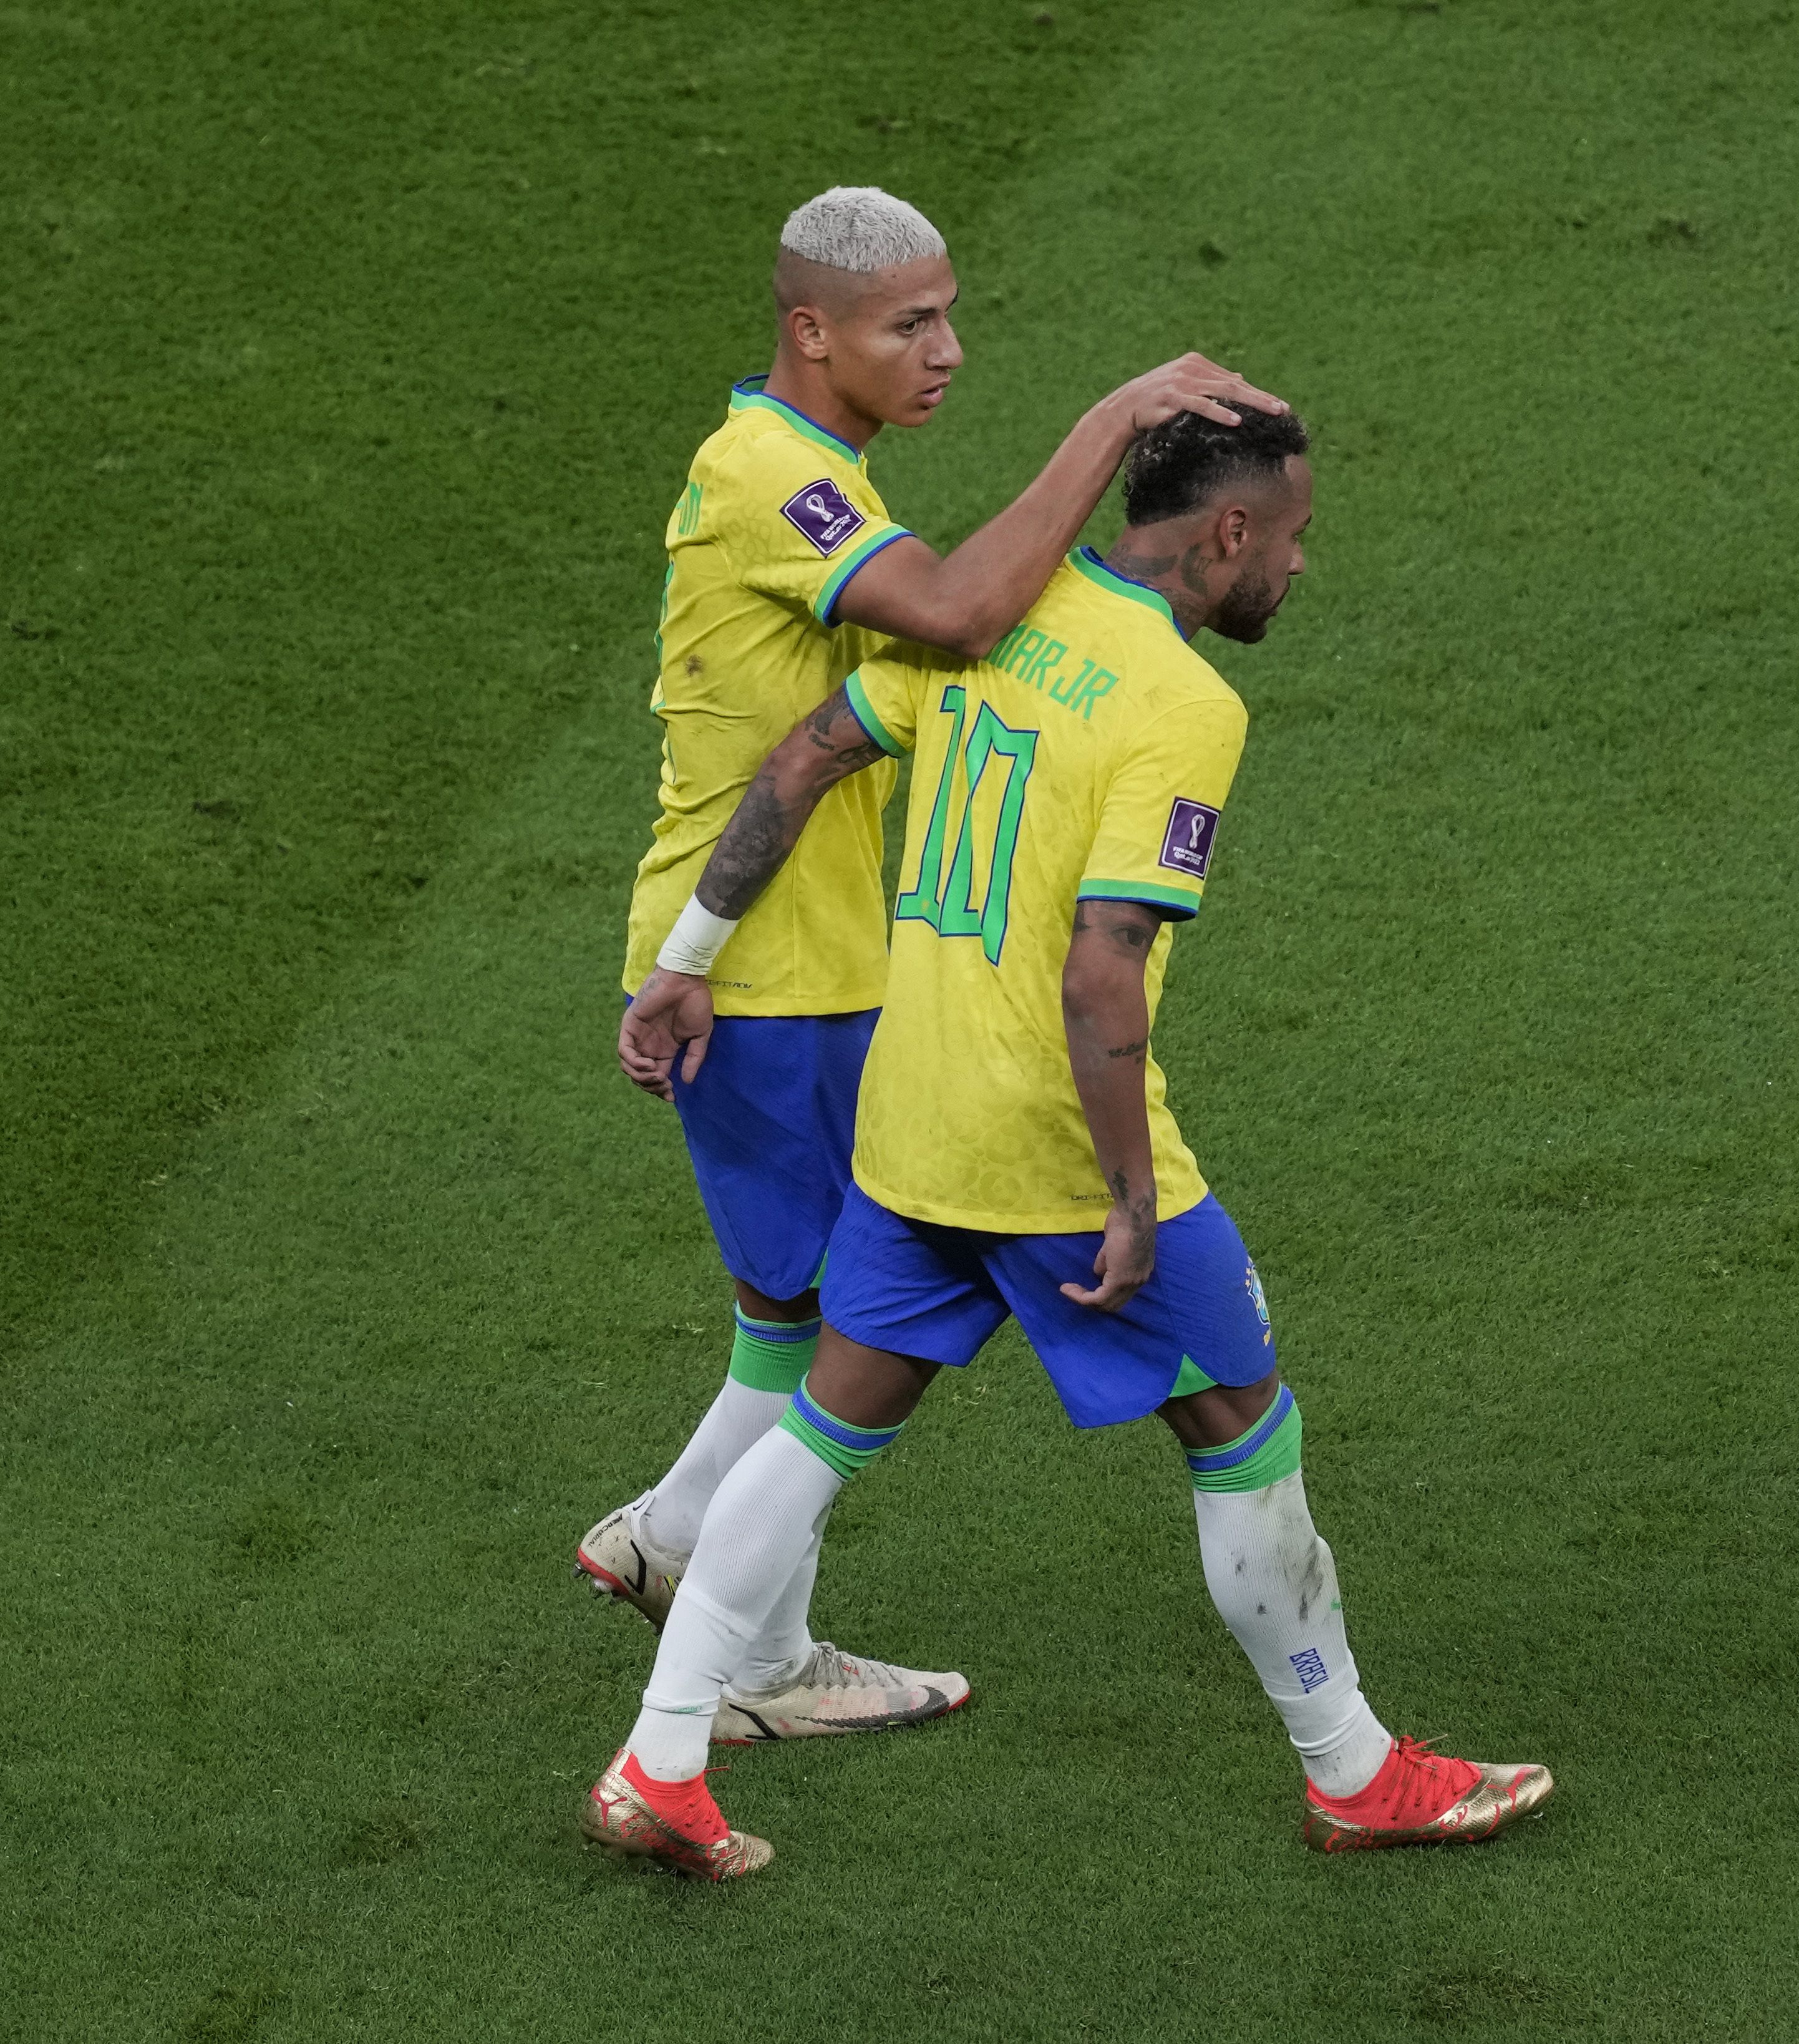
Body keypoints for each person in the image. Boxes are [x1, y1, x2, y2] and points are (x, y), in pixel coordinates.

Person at [583, 402, 1553, 1877]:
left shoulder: (999, 610)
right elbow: (1103, 972)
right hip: (1048, 1141)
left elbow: (796, 761)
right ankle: (1354, 1771)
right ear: (1228, 531)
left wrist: (692, 951)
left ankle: (661, 1759)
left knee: (825, 1423)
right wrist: (1125, 1197)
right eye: (1292, 537)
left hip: (912, 1124)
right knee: (1242, 1426)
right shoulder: (1182, 704)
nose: (1299, 566)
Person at [576, 184, 1283, 1750]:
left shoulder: (807, 465)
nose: (947, 349)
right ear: (811, 332)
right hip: (778, 977)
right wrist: (1116, 422)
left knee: (808, 1313)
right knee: (840, 1324)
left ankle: (677, 1546)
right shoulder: (773, 475)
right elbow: (962, 614)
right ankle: (737, 1659)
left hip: (785, 959)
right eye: (913, 324)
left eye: (951, 313)